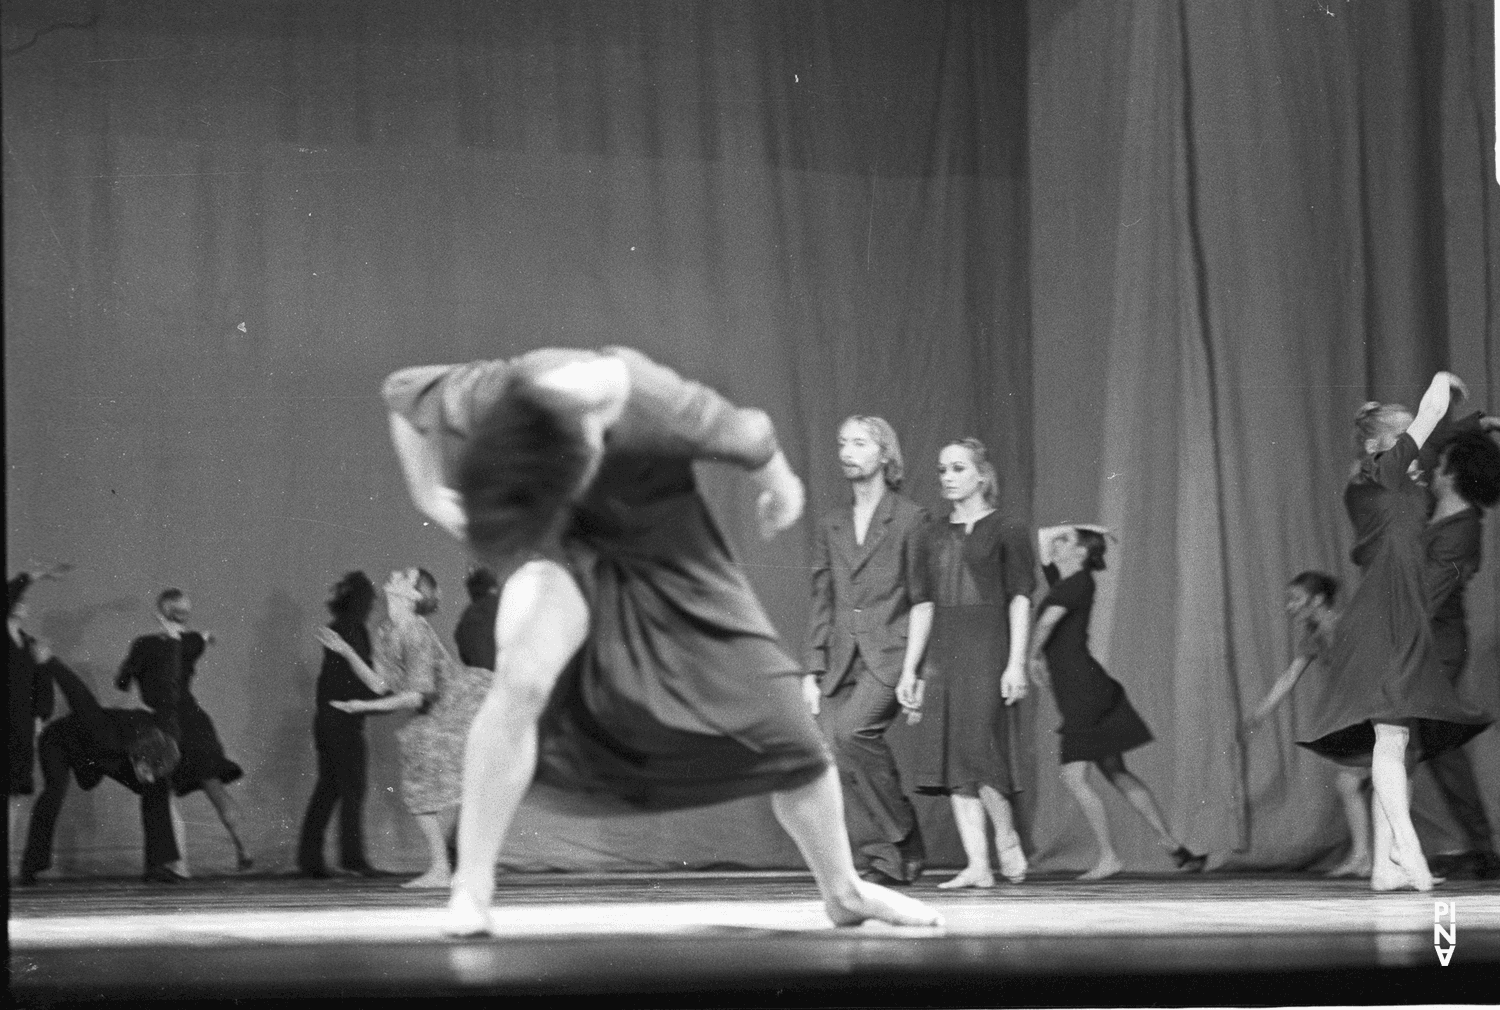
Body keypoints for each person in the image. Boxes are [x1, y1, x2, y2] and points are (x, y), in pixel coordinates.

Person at [380, 346, 941, 934]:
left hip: (665, 541)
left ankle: (844, 891)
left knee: (790, 731)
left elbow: (755, 436)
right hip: (560, 542)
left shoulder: (655, 401)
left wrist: (781, 489)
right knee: (521, 673)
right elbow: (402, 391)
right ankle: (471, 887)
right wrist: (426, 493)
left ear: (593, 438)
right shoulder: (489, 393)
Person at [1298, 372, 1492, 892]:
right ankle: (1408, 849)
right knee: (1390, 736)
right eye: (1403, 434)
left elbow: (1438, 437)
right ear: (1377, 443)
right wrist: (1442, 382)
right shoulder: (1381, 474)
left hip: (1401, 612)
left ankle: (1385, 866)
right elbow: (1430, 421)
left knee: (1396, 736)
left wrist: (1479, 423)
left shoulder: (1404, 475)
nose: (1419, 444)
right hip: (1382, 613)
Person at [1029, 525, 1207, 880]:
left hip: (1085, 693)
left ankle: (1109, 857)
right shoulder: (1062, 581)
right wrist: (1083, 530)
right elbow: (1043, 537)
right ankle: (1174, 847)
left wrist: (1032, 657)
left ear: (1080, 553)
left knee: (1073, 776)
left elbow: (1048, 623)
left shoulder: (1079, 582)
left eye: (1068, 542)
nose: (1059, 544)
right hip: (1085, 691)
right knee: (1115, 771)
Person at [896, 438, 1033, 888]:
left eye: (957, 468)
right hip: (943, 649)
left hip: (987, 643)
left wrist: (1016, 663)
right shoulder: (929, 533)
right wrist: (910, 669)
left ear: (981, 475)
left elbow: (1019, 597)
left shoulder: (1007, 528)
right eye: (942, 470)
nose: (947, 477)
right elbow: (922, 605)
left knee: (978, 746)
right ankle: (978, 864)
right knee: (952, 753)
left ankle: (1006, 835)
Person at [806, 416, 931, 887]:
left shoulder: (910, 519)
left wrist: (912, 670)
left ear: (884, 454)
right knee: (834, 749)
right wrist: (811, 669)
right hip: (841, 656)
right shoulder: (832, 523)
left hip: (889, 650)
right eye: (842, 443)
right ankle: (887, 857)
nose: (847, 451)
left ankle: (902, 837)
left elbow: (923, 599)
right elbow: (822, 597)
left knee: (854, 733)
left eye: (859, 443)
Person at [318, 568, 494, 889]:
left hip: (457, 708)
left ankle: (447, 867)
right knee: (430, 792)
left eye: (405, 576)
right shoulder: (388, 630)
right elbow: (379, 682)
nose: (395, 574)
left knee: (431, 790)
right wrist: (346, 652)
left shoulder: (415, 632)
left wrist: (364, 707)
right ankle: (446, 867)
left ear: (413, 595)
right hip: (436, 715)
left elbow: (414, 696)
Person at [1244, 572, 1371, 878]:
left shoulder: (1348, 626)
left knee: (1358, 783)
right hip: (1355, 714)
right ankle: (1365, 856)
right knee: (1351, 784)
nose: (1289, 607)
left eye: (1296, 600)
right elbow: (1291, 675)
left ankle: (1371, 856)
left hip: (1373, 710)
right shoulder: (1314, 636)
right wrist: (1262, 711)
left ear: (1317, 600)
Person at [117, 588, 251, 874]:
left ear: (160, 612)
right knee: (214, 787)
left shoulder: (144, 645)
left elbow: (123, 681)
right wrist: (203, 636)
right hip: (195, 721)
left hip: (166, 724)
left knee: (164, 796)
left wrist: (133, 676)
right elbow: (198, 638)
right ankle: (243, 847)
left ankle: (178, 866)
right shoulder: (190, 642)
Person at [19, 661, 183, 884]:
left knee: (157, 787)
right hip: (62, 743)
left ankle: (156, 866)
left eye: (153, 772)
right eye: (147, 771)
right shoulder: (103, 732)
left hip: (106, 756)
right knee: (54, 791)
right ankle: (31, 866)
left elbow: (169, 708)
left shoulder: (156, 738)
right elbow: (78, 693)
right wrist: (49, 661)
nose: (149, 776)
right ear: (139, 757)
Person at [1419, 428, 1500, 880]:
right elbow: (1430, 446)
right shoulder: (1440, 511)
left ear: (1451, 473)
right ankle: (1481, 848)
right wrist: (1472, 424)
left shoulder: (1462, 528)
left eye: (1441, 462)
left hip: (1438, 647)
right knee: (1435, 747)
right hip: (1428, 640)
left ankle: (1481, 847)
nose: (1432, 466)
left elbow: (1427, 597)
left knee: (1424, 744)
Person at [297, 571, 394, 879]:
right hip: (344, 721)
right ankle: (351, 859)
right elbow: (359, 676)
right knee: (351, 788)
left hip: (328, 719)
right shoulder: (354, 629)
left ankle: (311, 858)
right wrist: (383, 699)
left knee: (329, 787)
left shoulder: (339, 627)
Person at [8, 563, 68, 870]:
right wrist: (36, 575)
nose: (21, 603)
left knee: (16, 793)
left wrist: (39, 720)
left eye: (24, 601)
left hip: (20, 727)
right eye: (16, 599)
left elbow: (42, 685)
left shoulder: (30, 644)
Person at [454, 566, 500, 671]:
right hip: (512, 679)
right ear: (493, 586)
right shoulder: (507, 606)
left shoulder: (465, 620)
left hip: (481, 681)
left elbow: (465, 656)